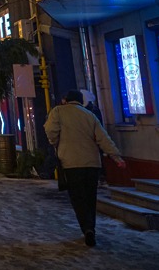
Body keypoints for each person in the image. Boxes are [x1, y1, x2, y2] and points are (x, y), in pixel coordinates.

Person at [44, 90, 125, 247]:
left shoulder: (58, 111)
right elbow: (103, 138)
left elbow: (50, 130)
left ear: (65, 100)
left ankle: (86, 228)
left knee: (78, 198)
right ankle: (91, 228)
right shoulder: (90, 116)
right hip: (92, 163)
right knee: (90, 197)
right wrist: (116, 157)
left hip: (70, 163)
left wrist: (55, 142)